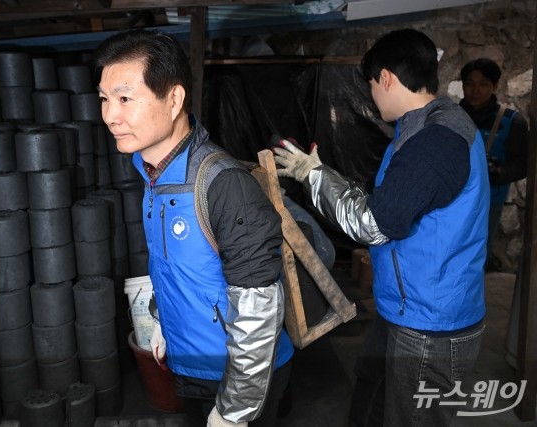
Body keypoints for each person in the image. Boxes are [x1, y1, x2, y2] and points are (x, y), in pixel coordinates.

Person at [273, 28, 489, 426]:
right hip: (406, 307)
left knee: (411, 418)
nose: (372, 94)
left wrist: (314, 178)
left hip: (431, 323)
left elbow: (375, 223)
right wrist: (321, 173)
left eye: (372, 84)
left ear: (385, 78)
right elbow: (387, 202)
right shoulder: (422, 128)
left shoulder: (436, 141)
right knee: (372, 390)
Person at [93, 29, 294, 427]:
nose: (110, 115)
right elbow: (180, 269)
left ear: (174, 99)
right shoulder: (151, 175)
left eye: (125, 98)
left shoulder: (223, 185)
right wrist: (168, 321)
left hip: (241, 376)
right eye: (104, 99)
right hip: (191, 364)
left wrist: (235, 410)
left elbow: (259, 309)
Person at [459, 57, 529, 267]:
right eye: (470, 84)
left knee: (477, 256)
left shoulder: (511, 121)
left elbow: (522, 164)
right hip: (452, 199)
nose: (475, 90)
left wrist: (497, 172)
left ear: (495, 85)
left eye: (483, 84)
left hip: (489, 202)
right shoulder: (449, 117)